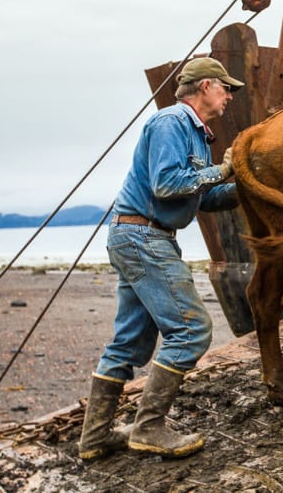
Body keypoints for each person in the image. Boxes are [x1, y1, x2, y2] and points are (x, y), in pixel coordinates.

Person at [78, 57, 244, 460]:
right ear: (205, 86)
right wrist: (225, 169)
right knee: (190, 330)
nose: (229, 98)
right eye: (226, 88)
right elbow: (168, 184)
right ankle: (149, 428)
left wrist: (247, 184)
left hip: (138, 235)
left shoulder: (195, 135)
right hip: (143, 236)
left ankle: (95, 439)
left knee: (129, 343)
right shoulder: (171, 122)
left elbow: (202, 197)